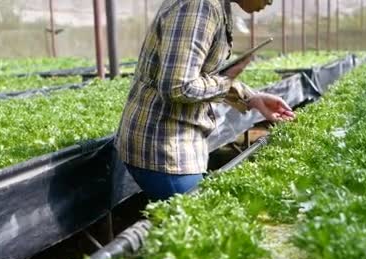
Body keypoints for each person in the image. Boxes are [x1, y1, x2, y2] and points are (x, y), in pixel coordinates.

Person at [116, 0, 295, 201]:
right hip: (163, 145)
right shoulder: (200, 6)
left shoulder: (215, 5)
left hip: (175, 141)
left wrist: (253, 98)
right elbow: (178, 85)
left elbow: (201, 75)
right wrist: (226, 82)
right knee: (194, 225)